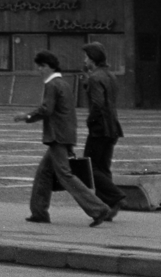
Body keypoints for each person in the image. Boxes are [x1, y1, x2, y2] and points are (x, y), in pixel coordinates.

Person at [16, 50, 111, 226]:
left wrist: (27, 117)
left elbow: (46, 109)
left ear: (49, 66)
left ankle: (99, 209)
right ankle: (39, 212)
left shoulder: (52, 85)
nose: (39, 70)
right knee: (43, 173)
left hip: (57, 136)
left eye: (41, 66)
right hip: (65, 134)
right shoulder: (64, 83)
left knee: (65, 175)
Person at [81, 42, 126, 221]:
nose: (84, 60)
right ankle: (107, 206)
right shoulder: (110, 75)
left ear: (92, 59)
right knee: (103, 168)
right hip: (113, 127)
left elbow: (98, 104)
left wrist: (89, 120)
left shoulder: (95, 77)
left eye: (86, 57)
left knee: (90, 167)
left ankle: (115, 197)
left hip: (100, 128)